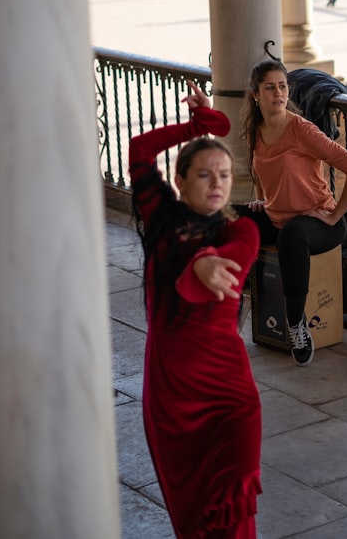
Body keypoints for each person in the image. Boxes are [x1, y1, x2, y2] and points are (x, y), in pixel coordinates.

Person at [129, 80, 262, 538]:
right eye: (204, 174)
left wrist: (203, 262)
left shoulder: (241, 231)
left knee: (233, 511)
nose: (217, 183)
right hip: (171, 392)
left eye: (224, 174)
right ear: (180, 180)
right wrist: (195, 126)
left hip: (229, 396)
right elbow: (139, 149)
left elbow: (226, 268)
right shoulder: (161, 218)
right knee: (193, 518)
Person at [237, 58, 347, 365]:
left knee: (293, 235)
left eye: (282, 86)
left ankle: (296, 324)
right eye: (270, 87)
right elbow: (262, 174)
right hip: (278, 216)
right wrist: (263, 201)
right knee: (227, 218)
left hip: (320, 224)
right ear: (256, 94)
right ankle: (228, 307)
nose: (278, 93)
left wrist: (335, 215)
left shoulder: (301, 130)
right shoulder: (256, 129)